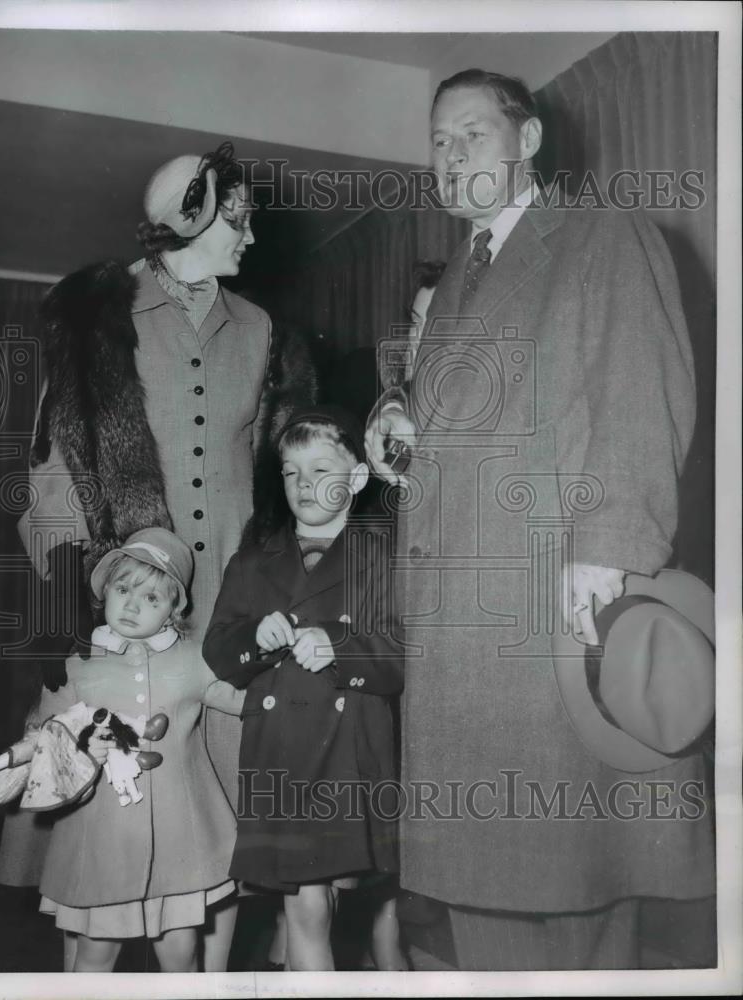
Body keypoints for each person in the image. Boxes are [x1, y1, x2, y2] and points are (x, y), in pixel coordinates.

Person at [365, 69, 714, 970]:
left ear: (527, 143)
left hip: (555, 593)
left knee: (572, 879)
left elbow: (644, 390)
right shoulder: (449, 288)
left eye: (470, 135)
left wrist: (607, 551)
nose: (449, 158)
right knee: (489, 884)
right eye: (437, 142)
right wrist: (400, 420)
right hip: (460, 625)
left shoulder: (603, 234)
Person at [0, 140, 316, 970]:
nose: (251, 235)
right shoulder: (95, 313)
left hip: (232, 606)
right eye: (238, 217)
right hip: (131, 605)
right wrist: (82, 598)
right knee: (104, 833)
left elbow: (277, 466)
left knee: (227, 818)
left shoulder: (262, 327)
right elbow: (53, 472)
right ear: (190, 218)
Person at [203, 405, 403, 970]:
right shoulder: (250, 562)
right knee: (306, 910)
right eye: (292, 472)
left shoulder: (384, 557)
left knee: (324, 904)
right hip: (280, 753)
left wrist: (339, 648)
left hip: (349, 751)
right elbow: (218, 649)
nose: (305, 484)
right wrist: (254, 638)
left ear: (359, 477)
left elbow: (404, 654)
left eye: (321, 469)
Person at [0, 527, 244, 972]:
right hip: (101, 842)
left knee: (180, 957)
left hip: (183, 843)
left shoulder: (195, 659)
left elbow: (247, 701)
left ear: (173, 610)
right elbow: (48, 739)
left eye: (152, 598)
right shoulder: (76, 665)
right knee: (94, 955)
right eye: (123, 588)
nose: (132, 605)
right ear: (105, 590)